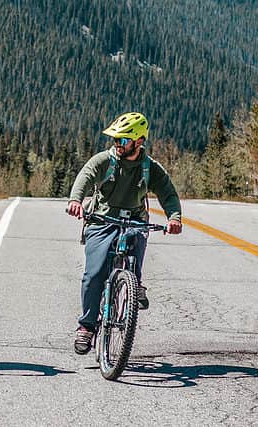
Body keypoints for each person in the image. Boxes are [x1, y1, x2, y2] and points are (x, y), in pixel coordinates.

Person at [66, 112, 183, 355]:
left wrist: (174, 217)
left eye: (123, 140)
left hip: (135, 221)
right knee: (94, 274)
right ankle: (87, 327)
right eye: (116, 140)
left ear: (138, 142)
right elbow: (85, 177)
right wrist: (76, 200)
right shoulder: (104, 161)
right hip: (102, 220)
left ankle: (134, 284)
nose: (117, 144)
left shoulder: (150, 168)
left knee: (135, 249)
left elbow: (168, 194)